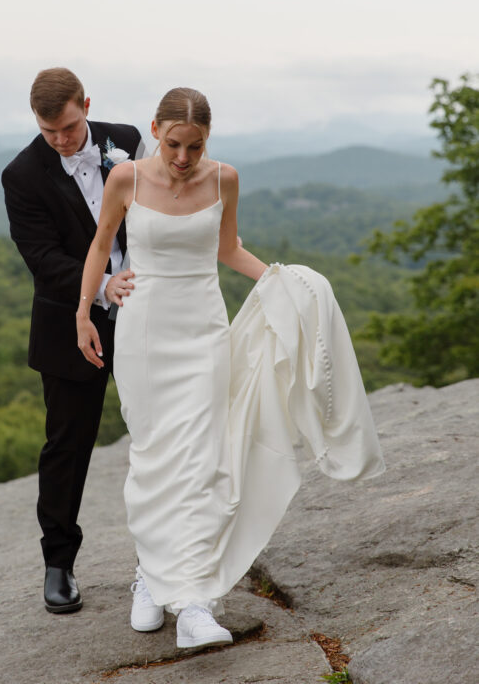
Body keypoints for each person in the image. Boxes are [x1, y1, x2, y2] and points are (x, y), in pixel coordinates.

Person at [76, 87, 385, 649]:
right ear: (155, 130)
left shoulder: (224, 180)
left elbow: (227, 248)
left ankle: (193, 600)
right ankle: (149, 575)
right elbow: (100, 246)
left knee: (201, 458)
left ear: (206, 142)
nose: (181, 158)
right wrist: (84, 311)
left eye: (193, 147)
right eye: (172, 145)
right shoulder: (127, 179)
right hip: (144, 331)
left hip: (203, 330)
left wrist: (281, 282)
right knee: (151, 455)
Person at [1, 67, 142, 614]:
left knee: (157, 433)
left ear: (87, 104)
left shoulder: (125, 141)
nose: (60, 140)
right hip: (69, 324)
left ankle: (158, 558)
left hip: (142, 314)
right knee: (67, 447)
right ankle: (58, 564)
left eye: (69, 126)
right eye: (48, 130)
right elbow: (42, 260)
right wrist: (101, 288)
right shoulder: (22, 175)